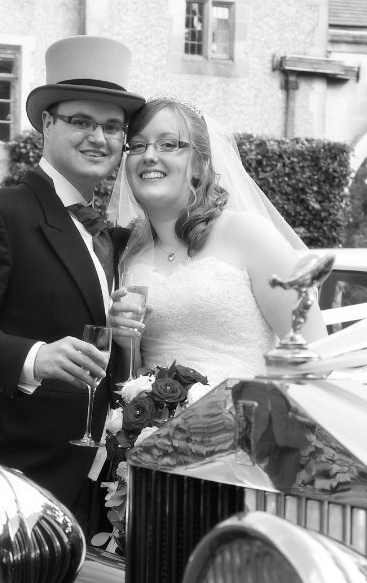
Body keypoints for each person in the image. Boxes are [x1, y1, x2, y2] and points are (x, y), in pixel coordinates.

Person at [0, 35, 145, 512]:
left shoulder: (116, 240)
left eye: (112, 127)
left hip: (103, 490)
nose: (97, 138)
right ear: (46, 124)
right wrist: (34, 358)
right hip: (17, 488)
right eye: (80, 121)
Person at [107, 98, 326, 388]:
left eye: (168, 144)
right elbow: (128, 381)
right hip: (150, 431)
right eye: (137, 145)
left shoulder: (248, 234)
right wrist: (127, 343)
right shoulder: (128, 255)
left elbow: (316, 357)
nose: (148, 155)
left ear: (200, 164)